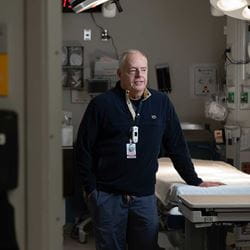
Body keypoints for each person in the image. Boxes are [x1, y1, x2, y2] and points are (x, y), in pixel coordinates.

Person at [76, 49, 223, 250]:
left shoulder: (160, 103)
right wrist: (91, 190)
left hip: (144, 197)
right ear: (120, 74)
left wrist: (194, 180)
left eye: (143, 70)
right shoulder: (101, 104)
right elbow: (83, 149)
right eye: (133, 70)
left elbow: (177, 146)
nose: (139, 76)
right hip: (108, 196)